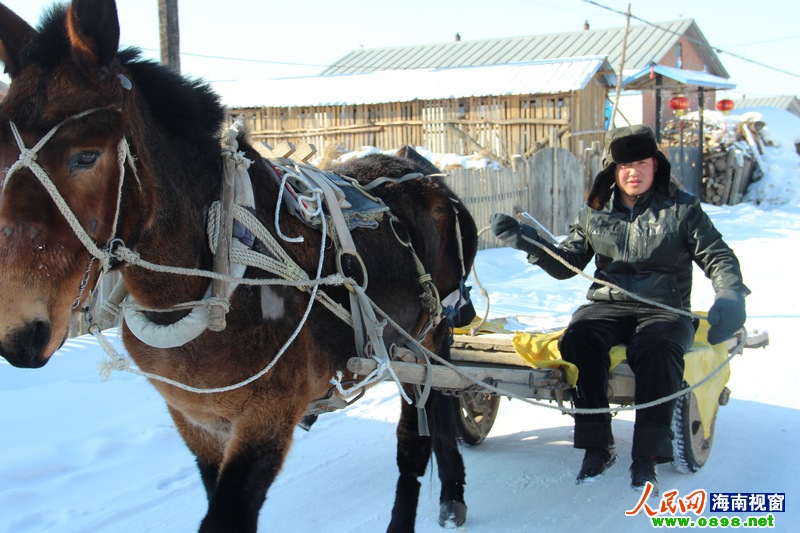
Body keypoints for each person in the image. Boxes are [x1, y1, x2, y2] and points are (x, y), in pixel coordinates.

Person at [490, 125, 749, 494]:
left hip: (664, 308)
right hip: (608, 306)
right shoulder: (595, 211)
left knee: (657, 349)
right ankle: (598, 446)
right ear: (613, 169)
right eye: (625, 164)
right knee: (578, 339)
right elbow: (569, 264)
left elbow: (718, 256)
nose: (633, 172)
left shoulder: (682, 208)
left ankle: (647, 457)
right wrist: (530, 242)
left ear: (655, 165)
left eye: (641, 162)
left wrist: (730, 294)